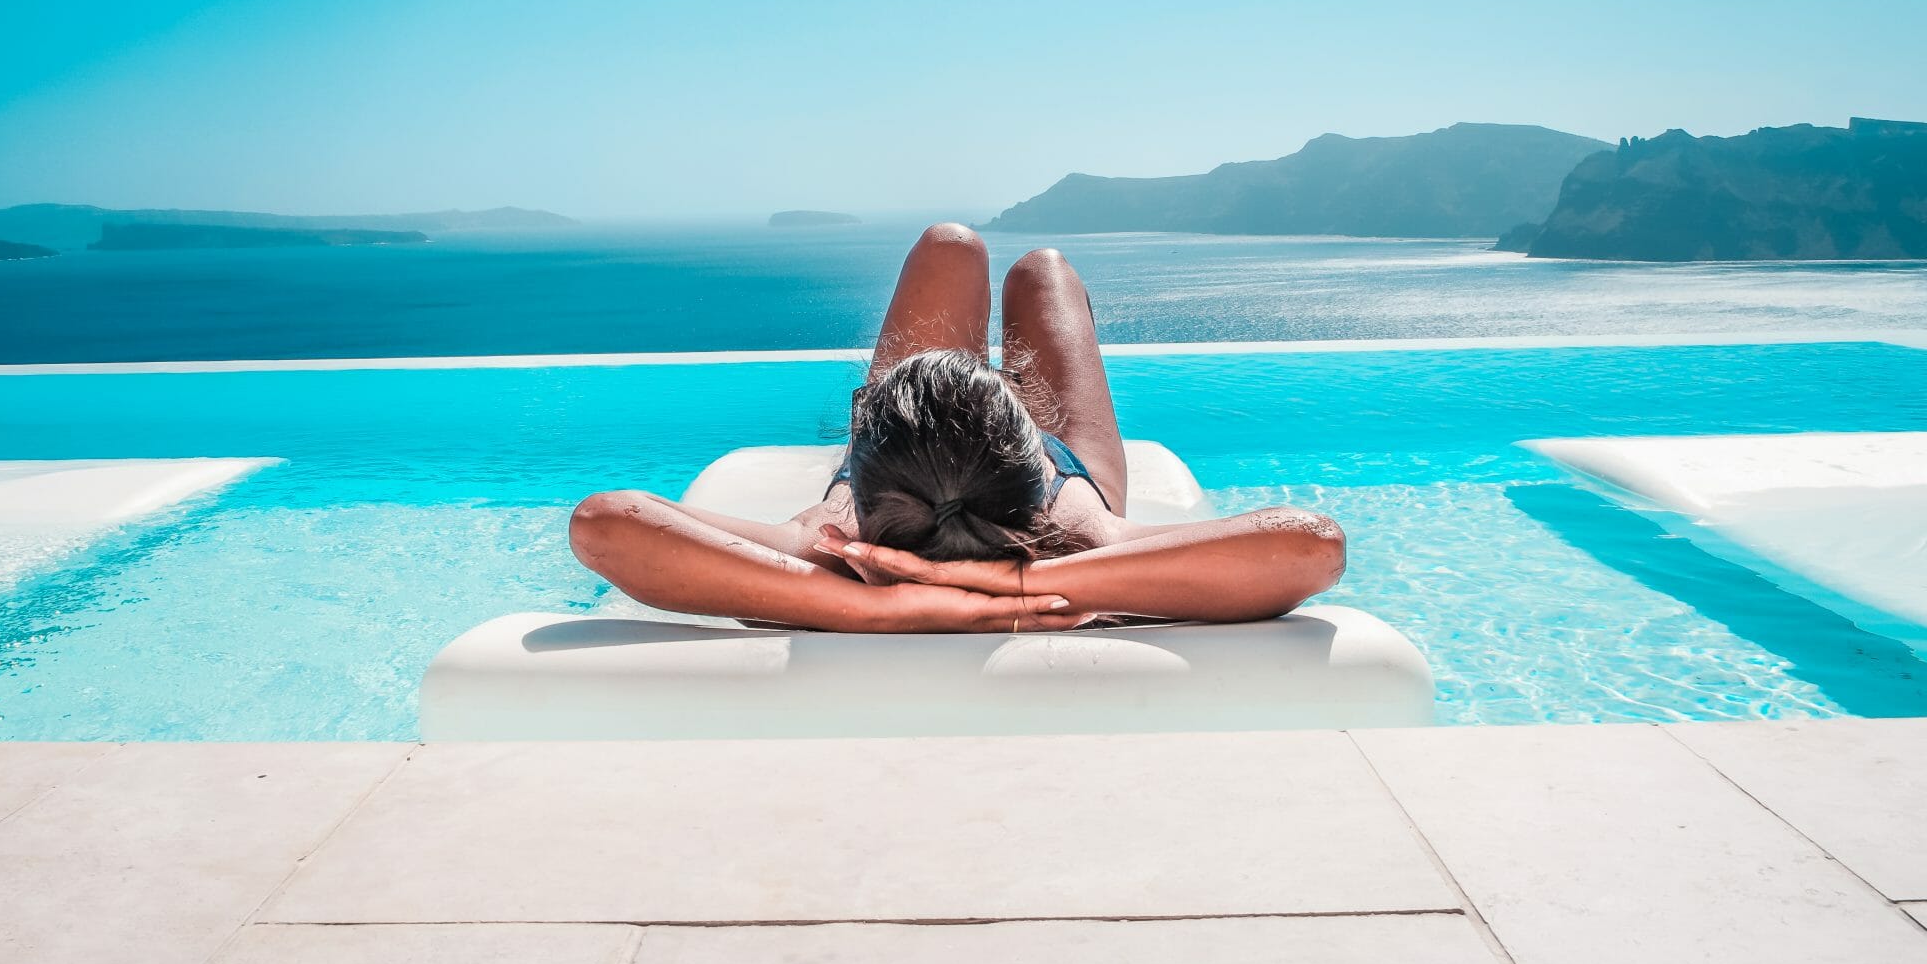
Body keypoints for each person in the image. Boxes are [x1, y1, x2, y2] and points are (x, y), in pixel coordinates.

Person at [568, 223, 1346, 632]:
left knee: (950, 246)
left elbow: (605, 524)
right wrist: (1024, 583)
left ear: (859, 453)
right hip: (1043, 504)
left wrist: (876, 606)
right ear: (1026, 444)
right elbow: (1310, 543)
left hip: (916, 496)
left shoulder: (830, 550)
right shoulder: (1085, 544)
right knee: (1042, 272)